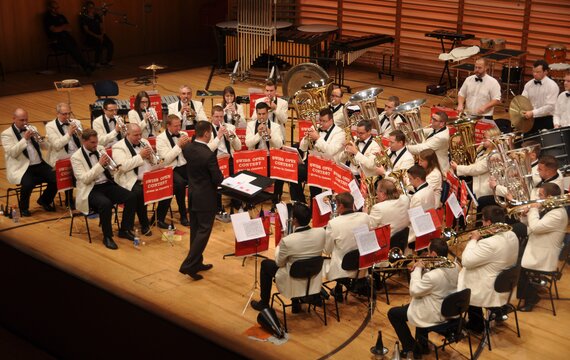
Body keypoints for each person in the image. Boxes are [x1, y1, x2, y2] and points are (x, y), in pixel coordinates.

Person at [387, 238, 459, 358]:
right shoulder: (455, 266)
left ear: (434, 254)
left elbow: (414, 291)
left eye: (428, 251)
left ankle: (411, 347)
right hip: (448, 309)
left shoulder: (433, 276)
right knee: (415, 303)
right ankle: (423, 345)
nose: (426, 254)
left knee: (393, 314)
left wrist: (417, 270)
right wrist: (424, 269)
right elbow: (435, 284)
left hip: (434, 313)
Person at [250, 202, 326, 311]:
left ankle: (264, 303)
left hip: (293, 280)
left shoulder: (288, 241)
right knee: (299, 262)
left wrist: (281, 244)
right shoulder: (321, 232)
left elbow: (279, 263)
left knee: (266, 264)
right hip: (312, 277)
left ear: (294, 220)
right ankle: (296, 302)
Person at [70, 129, 137, 249]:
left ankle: (124, 230)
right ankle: (107, 237)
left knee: (132, 197)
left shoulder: (100, 148)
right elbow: (85, 179)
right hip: (90, 189)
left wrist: (112, 167)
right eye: (92, 143)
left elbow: (109, 169)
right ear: (83, 141)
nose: (96, 145)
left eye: (96, 142)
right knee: (105, 204)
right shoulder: (76, 157)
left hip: (106, 184)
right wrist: (100, 165)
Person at [457, 205, 518, 333]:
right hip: (505, 281)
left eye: (483, 220)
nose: (482, 223)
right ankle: (498, 311)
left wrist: (473, 241)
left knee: (464, 274)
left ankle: (476, 324)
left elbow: (466, 261)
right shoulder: (512, 234)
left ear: (489, 222)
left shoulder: (489, 244)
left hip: (490, 286)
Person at [179, 121, 224, 281]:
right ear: (206, 134)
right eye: (210, 132)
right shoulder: (208, 155)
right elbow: (217, 178)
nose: (211, 135)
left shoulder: (188, 148)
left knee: (196, 231)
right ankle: (188, 264)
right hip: (205, 198)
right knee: (204, 231)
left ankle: (197, 262)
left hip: (192, 195)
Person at [518, 183, 568, 312]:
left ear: (549, 197)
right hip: (538, 245)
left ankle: (531, 297)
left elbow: (535, 227)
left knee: (515, 266)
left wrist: (533, 209)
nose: (538, 198)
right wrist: (525, 215)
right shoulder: (549, 208)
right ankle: (527, 293)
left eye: (540, 195)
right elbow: (532, 227)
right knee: (512, 256)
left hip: (544, 254)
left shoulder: (558, 213)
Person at [1, 108, 57, 216]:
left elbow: (44, 147)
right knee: (28, 184)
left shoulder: (32, 128)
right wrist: (25, 139)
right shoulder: (6, 134)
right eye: (22, 120)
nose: (25, 123)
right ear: (14, 119)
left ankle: (44, 200)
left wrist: (41, 139)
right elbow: (12, 153)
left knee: (56, 177)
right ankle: (23, 208)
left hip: (39, 164)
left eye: (26, 119)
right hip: (22, 167)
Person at [324, 192, 370, 298]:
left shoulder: (334, 223)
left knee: (335, 251)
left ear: (341, 206)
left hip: (343, 268)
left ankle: (339, 285)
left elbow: (327, 250)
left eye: (336, 204)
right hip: (362, 264)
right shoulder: (365, 217)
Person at [112, 124, 155, 236]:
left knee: (169, 184)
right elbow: (123, 167)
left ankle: (157, 219)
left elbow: (155, 161)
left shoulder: (144, 142)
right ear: (127, 134)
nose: (139, 137)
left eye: (140, 134)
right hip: (127, 180)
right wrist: (140, 156)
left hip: (146, 177)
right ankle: (142, 224)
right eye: (136, 135)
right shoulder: (118, 147)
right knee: (139, 192)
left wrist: (151, 157)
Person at [451, 127, 501, 213]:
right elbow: (474, 162)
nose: (483, 140)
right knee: (456, 191)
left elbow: (477, 169)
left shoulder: (495, 154)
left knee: (458, 194)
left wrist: (458, 167)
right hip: (477, 182)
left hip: (485, 188)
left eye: (485, 138)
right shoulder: (483, 149)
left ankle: (461, 219)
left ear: (493, 139)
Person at [155, 114, 191, 228]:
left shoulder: (183, 134)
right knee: (179, 184)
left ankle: (195, 209)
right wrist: (179, 146)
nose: (178, 128)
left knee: (200, 176)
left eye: (179, 125)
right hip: (170, 168)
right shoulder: (161, 138)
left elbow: (189, 154)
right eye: (176, 126)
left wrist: (188, 146)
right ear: (168, 126)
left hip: (184, 165)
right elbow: (165, 160)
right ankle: (183, 215)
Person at [245, 102, 285, 205]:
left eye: (263, 114)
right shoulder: (250, 125)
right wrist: (258, 134)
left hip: (269, 157)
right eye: (259, 114)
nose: (261, 116)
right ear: (256, 113)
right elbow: (248, 143)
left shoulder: (275, 126)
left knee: (279, 170)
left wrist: (270, 133)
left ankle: (275, 197)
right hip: (255, 157)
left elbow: (279, 144)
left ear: (267, 113)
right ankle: (253, 197)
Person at [207, 105, 242, 219]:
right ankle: (217, 208)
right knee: (216, 179)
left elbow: (238, 148)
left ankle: (237, 202)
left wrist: (232, 137)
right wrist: (218, 137)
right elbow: (207, 149)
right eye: (216, 117)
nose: (219, 119)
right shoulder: (207, 130)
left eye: (221, 117)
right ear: (211, 117)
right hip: (214, 159)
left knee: (236, 176)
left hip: (228, 158)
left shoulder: (230, 127)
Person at [45, 102, 81, 209]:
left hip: (76, 155)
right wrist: (69, 134)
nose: (67, 116)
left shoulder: (76, 122)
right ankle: (68, 201)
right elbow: (57, 145)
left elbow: (82, 140)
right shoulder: (50, 126)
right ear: (57, 114)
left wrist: (80, 133)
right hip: (60, 158)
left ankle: (81, 199)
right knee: (67, 170)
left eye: (69, 113)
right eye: (64, 114)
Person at [43, 0, 92, 74]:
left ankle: (85, 65)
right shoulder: (48, 18)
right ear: (49, 8)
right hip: (56, 41)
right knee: (71, 47)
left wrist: (61, 28)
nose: (56, 9)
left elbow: (70, 29)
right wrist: (63, 27)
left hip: (67, 38)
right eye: (54, 8)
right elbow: (54, 30)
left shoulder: (61, 16)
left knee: (75, 47)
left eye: (57, 7)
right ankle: (86, 66)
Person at [369, 179, 410, 249]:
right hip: (404, 240)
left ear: (383, 194)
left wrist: (365, 213)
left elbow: (369, 228)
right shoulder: (405, 199)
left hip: (387, 246)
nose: (376, 195)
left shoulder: (378, 208)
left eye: (377, 192)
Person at [521, 59, 559, 134]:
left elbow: (550, 107)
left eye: (538, 72)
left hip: (545, 119)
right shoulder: (528, 84)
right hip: (530, 118)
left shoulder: (552, 86)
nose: (534, 74)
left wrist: (533, 112)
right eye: (533, 71)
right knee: (525, 141)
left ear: (545, 72)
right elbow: (523, 100)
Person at [407, 165, 436, 246]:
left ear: (418, 179)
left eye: (410, 179)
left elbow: (411, 219)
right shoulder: (429, 187)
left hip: (417, 231)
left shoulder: (417, 197)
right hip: (429, 223)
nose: (409, 182)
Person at [79, 0, 114, 67]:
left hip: (100, 35)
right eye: (89, 7)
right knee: (98, 44)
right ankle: (97, 62)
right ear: (86, 8)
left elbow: (101, 27)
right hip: (91, 36)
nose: (91, 9)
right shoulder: (83, 17)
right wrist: (97, 36)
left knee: (110, 43)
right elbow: (86, 30)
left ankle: (109, 60)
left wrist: (102, 34)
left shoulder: (97, 16)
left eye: (93, 7)